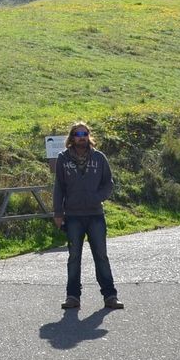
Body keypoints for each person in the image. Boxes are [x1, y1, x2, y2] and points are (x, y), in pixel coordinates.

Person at [53, 121, 123, 311]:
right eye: (77, 134)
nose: (81, 137)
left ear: (89, 136)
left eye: (84, 133)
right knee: (74, 257)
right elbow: (59, 187)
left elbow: (108, 183)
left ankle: (110, 296)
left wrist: (96, 197)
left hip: (95, 215)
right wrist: (58, 213)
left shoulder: (99, 158)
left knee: (101, 255)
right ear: (72, 137)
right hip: (73, 216)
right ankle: (73, 296)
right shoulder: (63, 158)